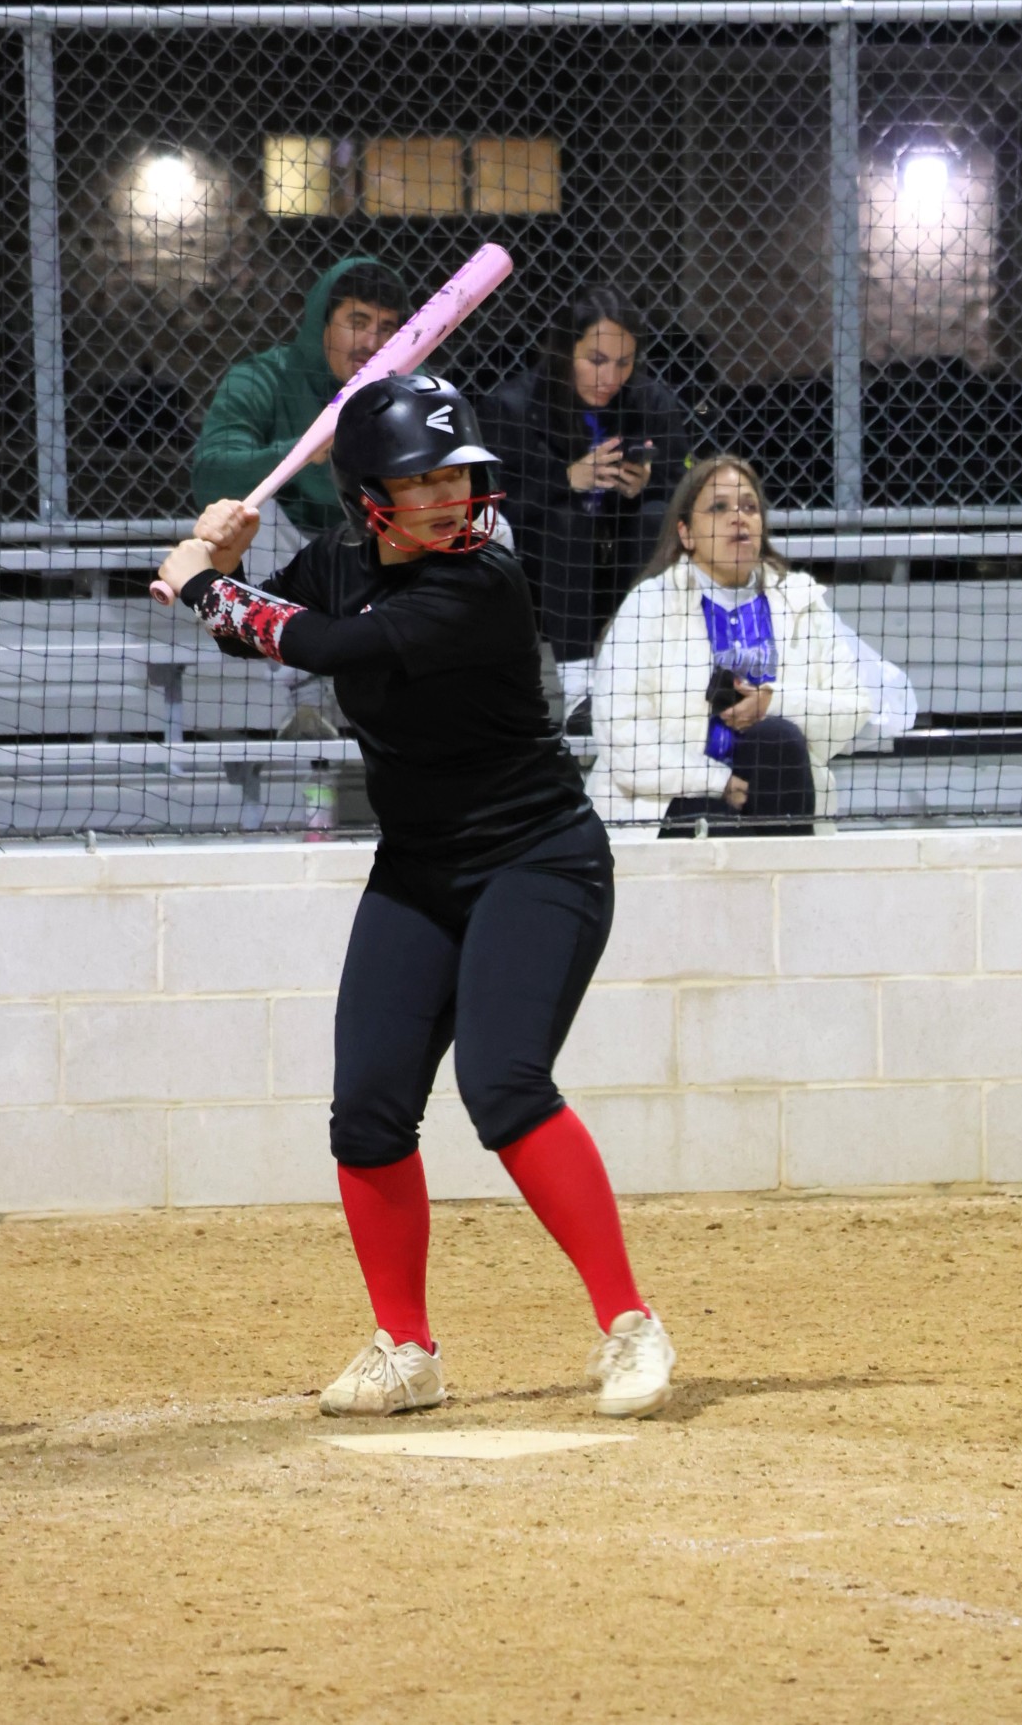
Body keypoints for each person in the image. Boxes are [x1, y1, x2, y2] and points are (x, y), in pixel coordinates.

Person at [158, 372, 676, 1419]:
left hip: (538, 858)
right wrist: (227, 564)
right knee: (367, 1110)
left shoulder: (479, 581)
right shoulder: (340, 560)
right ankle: (406, 1348)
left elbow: (323, 644)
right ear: (368, 497)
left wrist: (208, 585)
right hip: (418, 868)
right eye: (420, 480)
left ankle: (630, 1325)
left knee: (504, 1085)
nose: (447, 498)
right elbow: (256, 625)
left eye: (456, 476)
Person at [590, 455, 873, 834]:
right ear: (686, 534)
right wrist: (717, 781)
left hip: (777, 793)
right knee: (720, 823)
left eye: (749, 507)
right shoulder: (649, 605)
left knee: (776, 738)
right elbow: (620, 736)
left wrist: (773, 702)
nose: (738, 517)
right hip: (671, 802)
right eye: (718, 508)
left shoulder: (801, 600)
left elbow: (854, 709)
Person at [190, 257, 408, 735]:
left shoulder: (411, 386)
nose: (372, 342)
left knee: (487, 525)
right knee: (251, 511)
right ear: (321, 324)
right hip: (291, 551)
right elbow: (210, 473)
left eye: (387, 327)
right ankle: (304, 702)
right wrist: (301, 452)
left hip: (377, 546)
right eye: (357, 322)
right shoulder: (262, 378)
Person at [478, 285, 691, 729]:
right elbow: (495, 512)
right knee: (567, 516)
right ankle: (580, 694)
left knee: (656, 516)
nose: (610, 377)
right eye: (596, 360)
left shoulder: (650, 402)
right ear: (565, 352)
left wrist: (647, 485)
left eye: (624, 362)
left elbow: (685, 490)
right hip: (543, 576)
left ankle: (635, 679)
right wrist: (566, 480)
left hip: (621, 567)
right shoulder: (513, 407)